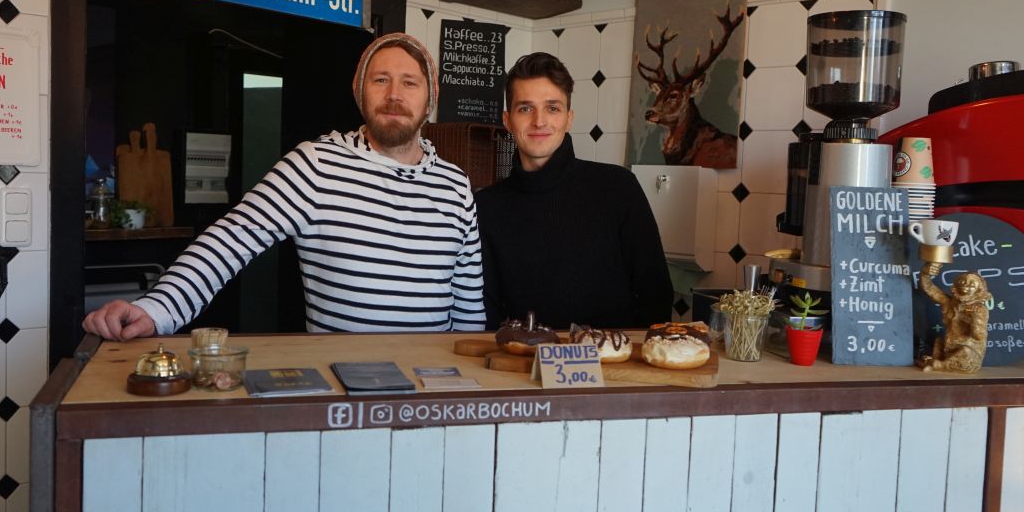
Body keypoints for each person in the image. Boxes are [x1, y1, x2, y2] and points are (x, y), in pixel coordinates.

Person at [83, 32, 486, 340]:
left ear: (430, 99)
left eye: (409, 83)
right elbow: (231, 239)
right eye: (380, 80)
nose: (394, 94)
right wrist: (158, 308)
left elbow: (469, 310)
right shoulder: (316, 163)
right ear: (359, 93)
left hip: (429, 398)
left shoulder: (455, 185)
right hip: (343, 395)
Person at [476, 52, 673, 330]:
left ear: (569, 118)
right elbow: (488, 311)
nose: (539, 121)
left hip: (614, 365)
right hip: (522, 365)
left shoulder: (618, 187)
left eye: (552, 108)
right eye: (525, 108)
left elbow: (657, 296)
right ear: (508, 121)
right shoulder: (486, 207)